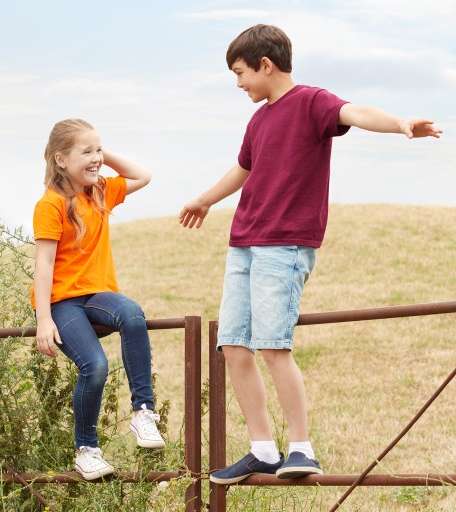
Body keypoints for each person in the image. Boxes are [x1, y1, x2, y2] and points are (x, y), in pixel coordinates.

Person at [179, 24, 442, 484]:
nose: (238, 83)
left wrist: (399, 123)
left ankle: (302, 449)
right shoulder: (258, 119)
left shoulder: (311, 101)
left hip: (285, 244)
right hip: (244, 243)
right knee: (234, 345)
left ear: (265, 64)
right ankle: (262, 449)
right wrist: (205, 199)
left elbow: (356, 111)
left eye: (240, 73)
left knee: (273, 345)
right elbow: (243, 169)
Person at [31, 118, 165, 481]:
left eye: (98, 150)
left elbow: (143, 175)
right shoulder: (52, 203)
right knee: (95, 366)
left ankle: (143, 412)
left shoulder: (100, 191)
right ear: (60, 160)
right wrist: (44, 319)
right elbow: (43, 263)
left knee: (132, 313)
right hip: (63, 303)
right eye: (85, 152)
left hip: (96, 295)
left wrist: (100, 158)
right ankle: (86, 450)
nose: (96, 159)